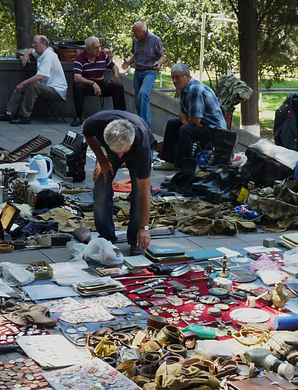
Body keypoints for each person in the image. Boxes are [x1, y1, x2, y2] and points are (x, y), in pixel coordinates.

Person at [82, 110, 156, 255]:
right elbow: (86, 132)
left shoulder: (141, 145)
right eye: (117, 152)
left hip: (137, 153)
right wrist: (103, 161)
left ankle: (136, 239)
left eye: (122, 152)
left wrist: (144, 228)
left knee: (137, 194)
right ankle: (106, 238)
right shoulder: (95, 123)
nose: (120, 156)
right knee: (101, 188)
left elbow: (144, 192)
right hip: (110, 154)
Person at [155, 63, 226, 171]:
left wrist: (184, 119)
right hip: (203, 125)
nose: (174, 81)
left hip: (216, 130)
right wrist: (185, 119)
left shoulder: (194, 90)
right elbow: (186, 116)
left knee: (186, 130)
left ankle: (184, 168)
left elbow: (194, 121)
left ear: (187, 76)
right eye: (172, 78)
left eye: (177, 77)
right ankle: (170, 161)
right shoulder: (183, 90)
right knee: (172, 124)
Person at [0, 35, 67, 125]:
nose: (33, 45)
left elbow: (40, 76)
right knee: (25, 86)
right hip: (47, 87)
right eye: (33, 43)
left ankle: (25, 116)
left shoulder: (49, 56)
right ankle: (9, 113)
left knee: (32, 86)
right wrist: (26, 55)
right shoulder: (41, 53)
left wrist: (23, 83)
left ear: (43, 44)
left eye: (35, 43)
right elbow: (30, 50)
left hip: (57, 91)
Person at [71, 36, 126, 127]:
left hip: (100, 84)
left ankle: (121, 117)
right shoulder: (80, 58)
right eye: (96, 48)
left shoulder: (102, 55)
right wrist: (92, 83)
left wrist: (116, 75)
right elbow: (77, 77)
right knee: (78, 87)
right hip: (87, 85)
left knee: (118, 87)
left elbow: (114, 66)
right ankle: (79, 117)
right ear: (88, 49)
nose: (99, 50)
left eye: (99, 47)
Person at [121, 22, 165, 129]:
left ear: (144, 32)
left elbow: (163, 56)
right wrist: (128, 62)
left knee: (143, 93)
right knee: (138, 99)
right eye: (133, 33)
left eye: (136, 33)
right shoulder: (136, 40)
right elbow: (135, 56)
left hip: (150, 71)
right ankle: (139, 123)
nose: (134, 36)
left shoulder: (155, 40)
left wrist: (159, 63)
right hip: (138, 72)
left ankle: (146, 126)